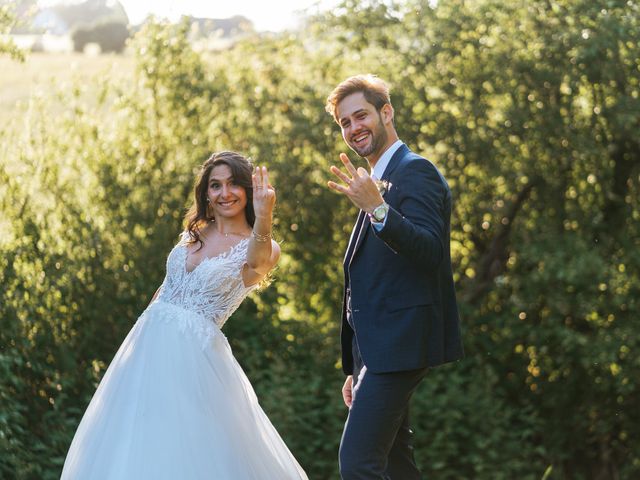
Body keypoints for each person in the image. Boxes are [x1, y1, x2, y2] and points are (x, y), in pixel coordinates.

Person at [61, 151, 308, 479]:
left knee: (185, 445)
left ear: (249, 190)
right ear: (206, 192)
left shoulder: (258, 244)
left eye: (234, 184)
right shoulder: (195, 233)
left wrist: (264, 216)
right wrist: (136, 345)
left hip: (193, 357)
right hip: (145, 348)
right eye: (216, 185)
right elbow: (165, 291)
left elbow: (259, 265)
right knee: (135, 441)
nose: (225, 193)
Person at [326, 74, 464, 479]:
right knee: (395, 464)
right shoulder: (375, 181)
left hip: (401, 343)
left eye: (361, 116)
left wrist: (379, 209)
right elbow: (368, 282)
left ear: (386, 112)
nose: (354, 129)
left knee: (358, 464)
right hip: (378, 351)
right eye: (345, 123)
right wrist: (355, 364)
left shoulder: (415, 171)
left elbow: (430, 251)